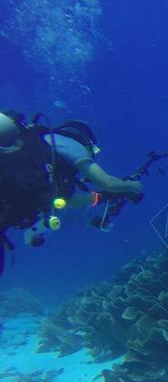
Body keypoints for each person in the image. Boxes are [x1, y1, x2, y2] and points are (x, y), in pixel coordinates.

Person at [0, 111, 143, 271]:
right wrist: (132, 186)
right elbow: (108, 182)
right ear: (87, 140)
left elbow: (60, 201)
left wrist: (100, 198)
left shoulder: (40, 144)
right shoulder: (73, 146)